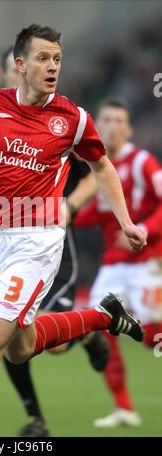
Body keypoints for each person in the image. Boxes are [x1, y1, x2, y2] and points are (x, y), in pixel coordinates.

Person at [0, 24, 146, 437]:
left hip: (37, 243)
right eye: (42, 58)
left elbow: (101, 166)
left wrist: (125, 221)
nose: (52, 66)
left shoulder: (72, 118)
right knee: (20, 347)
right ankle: (101, 316)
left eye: (56, 59)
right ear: (20, 65)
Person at [73, 97, 162, 428]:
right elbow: (96, 211)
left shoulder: (143, 163)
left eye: (118, 121)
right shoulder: (98, 166)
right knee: (99, 329)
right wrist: (61, 216)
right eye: (106, 120)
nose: (111, 126)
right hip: (113, 267)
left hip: (148, 264)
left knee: (154, 336)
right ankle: (124, 407)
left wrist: (145, 230)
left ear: (129, 128)